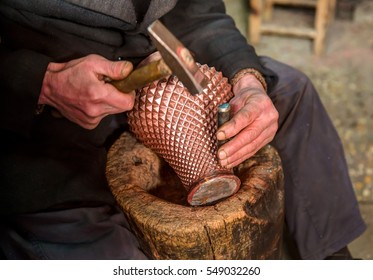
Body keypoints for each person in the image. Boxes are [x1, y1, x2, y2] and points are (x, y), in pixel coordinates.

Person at [0, 0, 366, 260]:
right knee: (107, 256)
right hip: (46, 120)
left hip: (166, 72)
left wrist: (248, 81)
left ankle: (330, 256)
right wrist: (41, 83)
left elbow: (199, 11)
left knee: (291, 91)